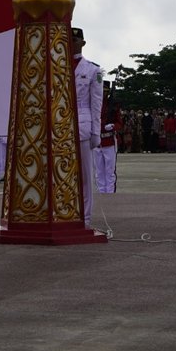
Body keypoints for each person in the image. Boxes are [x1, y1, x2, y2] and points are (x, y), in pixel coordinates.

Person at [71, 27, 103, 225]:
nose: (73, 42)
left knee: (85, 176)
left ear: (83, 43)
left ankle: (86, 218)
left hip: (83, 123)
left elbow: (96, 103)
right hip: (61, 125)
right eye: (70, 39)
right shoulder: (58, 66)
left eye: (76, 40)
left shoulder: (92, 70)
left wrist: (95, 132)